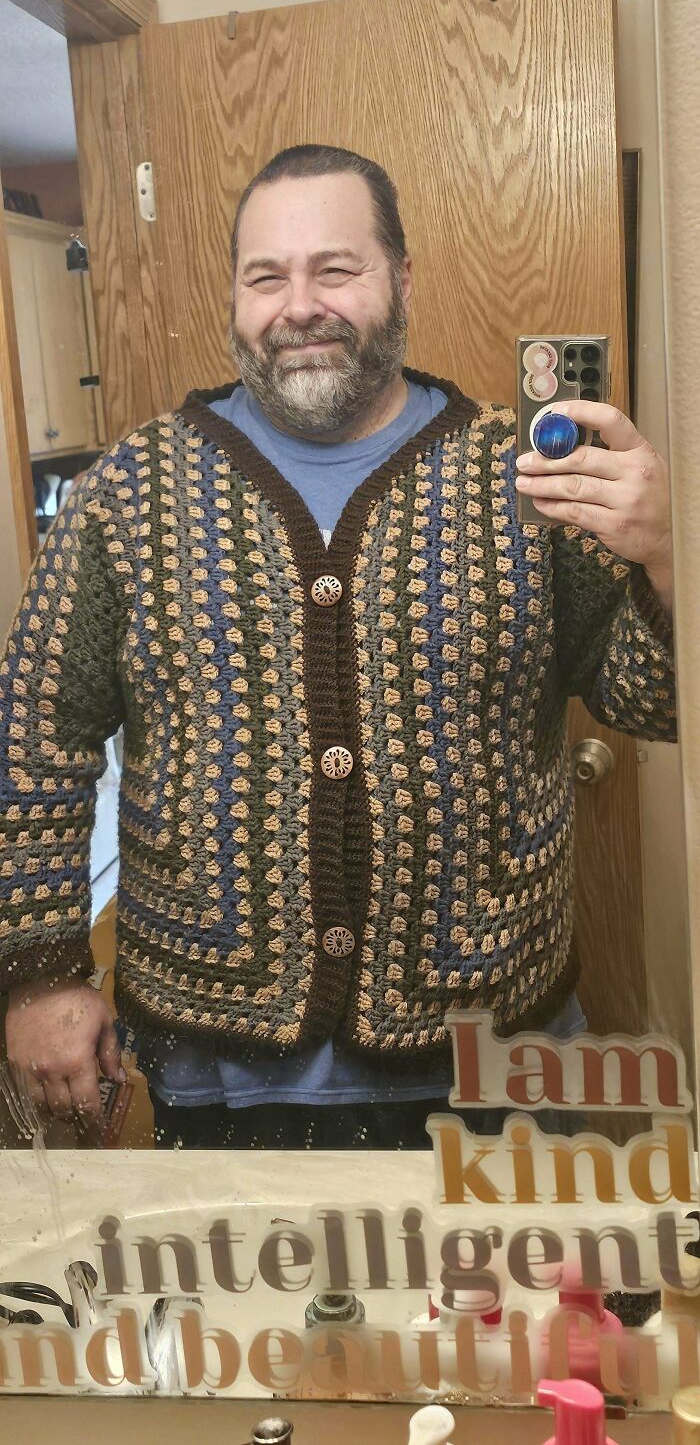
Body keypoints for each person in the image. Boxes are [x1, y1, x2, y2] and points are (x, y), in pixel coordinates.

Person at [0, 144, 675, 1151]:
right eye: (265, 276)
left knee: (499, 1312)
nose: (298, 305)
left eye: (336, 268)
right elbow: (33, 741)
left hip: (491, 1057)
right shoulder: (131, 493)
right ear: (234, 297)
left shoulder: (525, 479)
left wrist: (671, 559)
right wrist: (41, 973)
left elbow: (650, 699)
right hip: (216, 1068)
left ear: (401, 279)